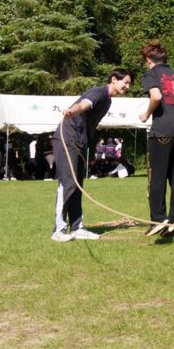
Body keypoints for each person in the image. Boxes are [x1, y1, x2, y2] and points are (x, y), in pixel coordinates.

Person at [51, 69, 133, 242]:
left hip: (80, 143)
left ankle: (77, 227)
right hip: (67, 139)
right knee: (68, 184)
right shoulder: (98, 93)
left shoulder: (108, 101)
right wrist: (73, 111)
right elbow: (84, 104)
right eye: (125, 82)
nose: (127, 86)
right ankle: (58, 230)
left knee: (77, 185)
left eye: (129, 84)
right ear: (113, 79)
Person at [138, 41, 174, 237]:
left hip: (162, 130)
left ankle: (158, 218)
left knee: (157, 176)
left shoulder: (151, 74)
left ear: (148, 60)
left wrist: (146, 114)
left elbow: (155, 96)